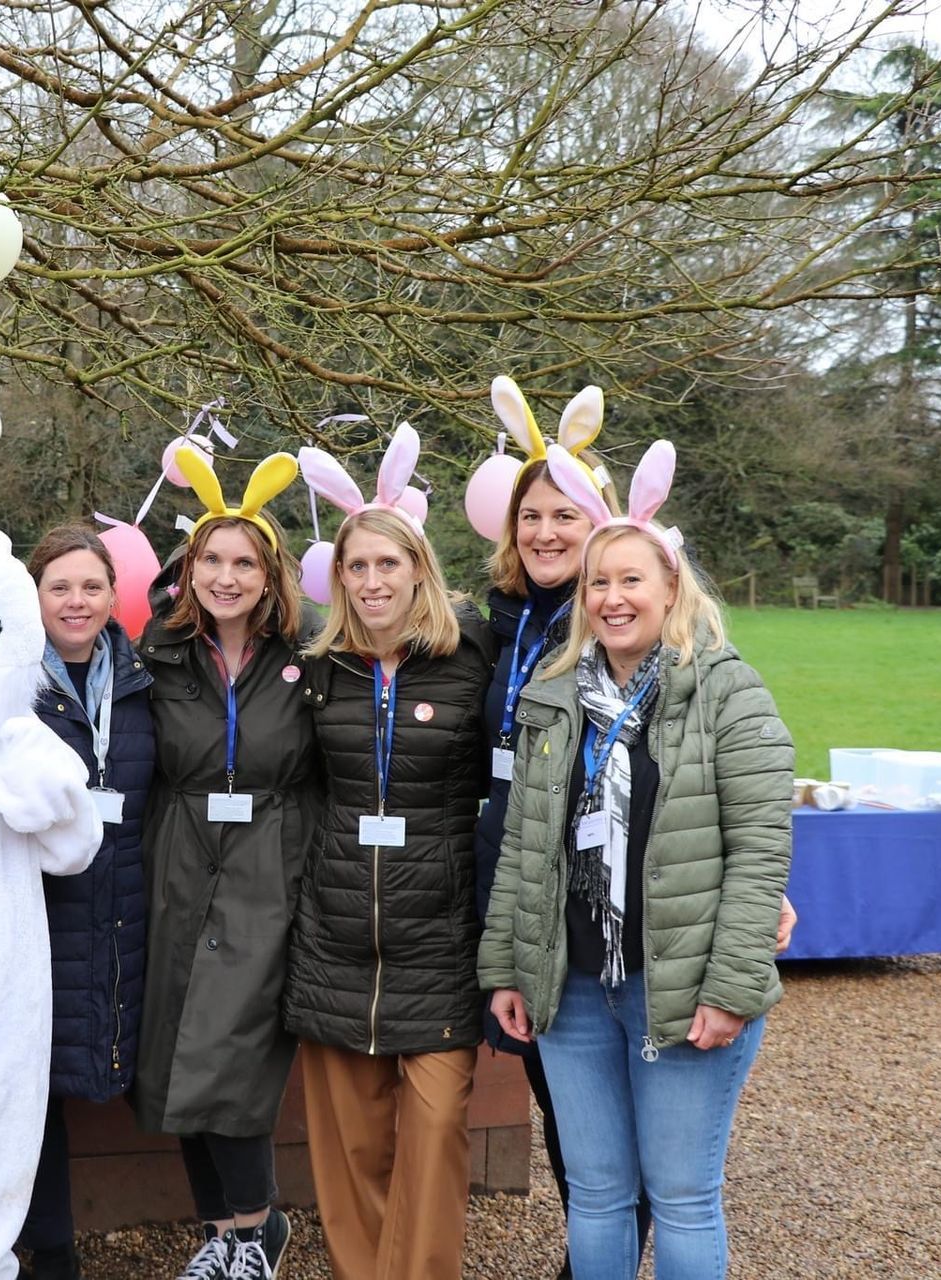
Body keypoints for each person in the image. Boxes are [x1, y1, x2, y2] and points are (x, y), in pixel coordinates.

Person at [481, 444, 794, 1280]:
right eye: (597, 583)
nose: (612, 598)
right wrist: (508, 967)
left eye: (630, 581)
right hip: (573, 986)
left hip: (680, 983)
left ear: (670, 588)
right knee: (594, 1194)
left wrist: (731, 987)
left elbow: (762, 852)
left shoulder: (728, 691)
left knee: (683, 1194)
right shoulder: (552, 696)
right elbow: (523, 846)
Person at [283, 504, 494, 1280]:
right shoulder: (318, 666)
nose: (372, 581)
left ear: (418, 569)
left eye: (387, 564)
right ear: (338, 577)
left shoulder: (471, 655)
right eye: (357, 566)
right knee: (352, 1152)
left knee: (435, 1133)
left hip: (437, 935)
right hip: (337, 934)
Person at [134, 450, 316, 1280]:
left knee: (234, 1047)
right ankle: (228, 1233)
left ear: (271, 572)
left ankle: (255, 1231)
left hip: (270, 862)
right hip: (179, 861)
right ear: (190, 565)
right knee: (175, 1045)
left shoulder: (309, 657)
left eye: (245, 562)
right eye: (213, 559)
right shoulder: (162, 655)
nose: (227, 576)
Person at [20, 525, 156, 1280]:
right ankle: (51, 1249)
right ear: (34, 595)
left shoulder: (144, 682)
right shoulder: (9, 685)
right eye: (59, 587)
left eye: (91, 587)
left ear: (114, 595)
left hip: (127, 900)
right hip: (38, 908)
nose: (76, 602)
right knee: (32, 1084)